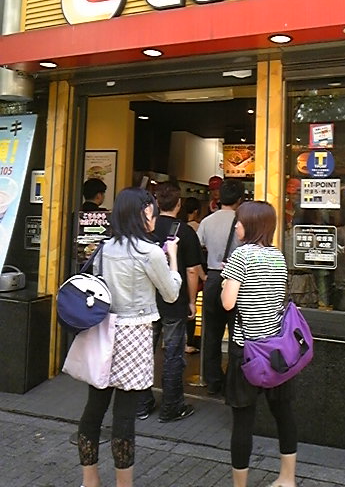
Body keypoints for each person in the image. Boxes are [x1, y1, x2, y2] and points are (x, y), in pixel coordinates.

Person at [77, 187, 182, 487]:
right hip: (134, 335)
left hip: (103, 331)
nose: (154, 218)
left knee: (94, 409)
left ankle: (90, 481)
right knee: (124, 417)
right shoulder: (150, 252)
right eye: (151, 213)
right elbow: (171, 293)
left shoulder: (104, 247)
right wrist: (172, 258)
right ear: (141, 214)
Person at [221, 201, 297, 487]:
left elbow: (228, 303)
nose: (236, 227)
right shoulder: (278, 256)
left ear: (251, 225)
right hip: (277, 350)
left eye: (239, 222)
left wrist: (226, 282)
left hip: (247, 352)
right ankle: (287, 478)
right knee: (284, 414)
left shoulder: (241, 256)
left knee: (243, 420)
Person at [136, 181, 204, 422]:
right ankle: (171, 407)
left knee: (143, 352)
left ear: (156, 203)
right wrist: (192, 301)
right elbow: (192, 271)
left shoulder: (145, 228)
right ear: (179, 204)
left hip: (146, 300)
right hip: (174, 301)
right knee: (174, 355)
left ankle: (141, 405)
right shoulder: (185, 231)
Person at [196, 178, 244, 395]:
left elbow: (197, 250)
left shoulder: (207, 221)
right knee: (237, 332)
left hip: (213, 278)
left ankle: (213, 380)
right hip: (237, 280)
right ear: (240, 199)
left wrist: (203, 275)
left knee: (212, 333)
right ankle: (234, 380)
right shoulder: (243, 222)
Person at [180, 196, 206, 353]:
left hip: (175, 274)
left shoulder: (177, 227)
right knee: (191, 309)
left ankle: (169, 340)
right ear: (196, 211)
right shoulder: (195, 228)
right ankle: (188, 342)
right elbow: (195, 261)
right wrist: (203, 276)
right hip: (191, 275)